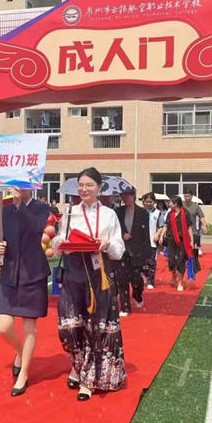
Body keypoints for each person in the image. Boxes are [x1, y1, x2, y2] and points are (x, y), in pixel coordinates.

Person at [52, 167, 126, 401]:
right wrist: (59, 241)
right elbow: (58, 240)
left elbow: (119, 249)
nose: (84, 189)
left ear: (99, 188)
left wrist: (107, 244)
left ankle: (88, 379)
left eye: (89, 185)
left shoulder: (109, 215)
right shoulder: (70, 212)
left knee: (96, 326)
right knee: (70, 326)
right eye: (81, 185)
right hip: (74, 274)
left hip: (99, 274)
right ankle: (77, 365)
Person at [0, 187, 51, 396]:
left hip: (33, 273)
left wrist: (19, 205)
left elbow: (35, 229)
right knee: (4, 326)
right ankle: (20, 351)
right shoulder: (5, 210)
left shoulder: (41, 208)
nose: (19, 188)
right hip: (10, 274)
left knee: (29, 327)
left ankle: (24, 373)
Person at [115, 187, 151, 316]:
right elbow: (115, 228)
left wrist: (147, 253)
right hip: (122, 250)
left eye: (127, 195)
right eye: (123, 195)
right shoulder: (118, 211)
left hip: (137, 250)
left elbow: (145, 234)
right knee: (122, 279)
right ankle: (125, 308)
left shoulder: (143, 213)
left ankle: (137, 294)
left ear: (133, 196)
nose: (125, 198)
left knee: (136, 279)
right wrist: (123, 233)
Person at [157, 196, 194, 292]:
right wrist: (161, 236)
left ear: (176, 204)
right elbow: (165, 226)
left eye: (170, 202)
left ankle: (180, 282)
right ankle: (174, 274)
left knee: (181, 261)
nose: (168, 204)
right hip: (171, 240)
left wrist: (192, 240)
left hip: (182, 241)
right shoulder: (170, 214)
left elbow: (189, 228)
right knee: (171, 261)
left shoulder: (185, 213)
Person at [141, 193, 160, 290]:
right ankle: (144, 277)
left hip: (152, 242)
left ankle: (151, 281)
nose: (149, 203)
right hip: (141, 242)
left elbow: (161, 226)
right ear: (144, 202)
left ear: (154, 202)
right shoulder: (140, 212)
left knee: (152, 262)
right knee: (142, 262)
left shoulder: (158, 213)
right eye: (147, 202)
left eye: (150, 202)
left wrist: (158, 234)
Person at [183, 191, 205, 255]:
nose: (187, 198)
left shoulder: (196, 206)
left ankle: (193, 259)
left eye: (188, 196)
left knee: (191, 248)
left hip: (192, 231)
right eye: (185, 196)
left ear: (192, 196)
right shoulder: (181, 205)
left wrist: (204, 226)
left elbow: (201, 217)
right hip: (182, 230)